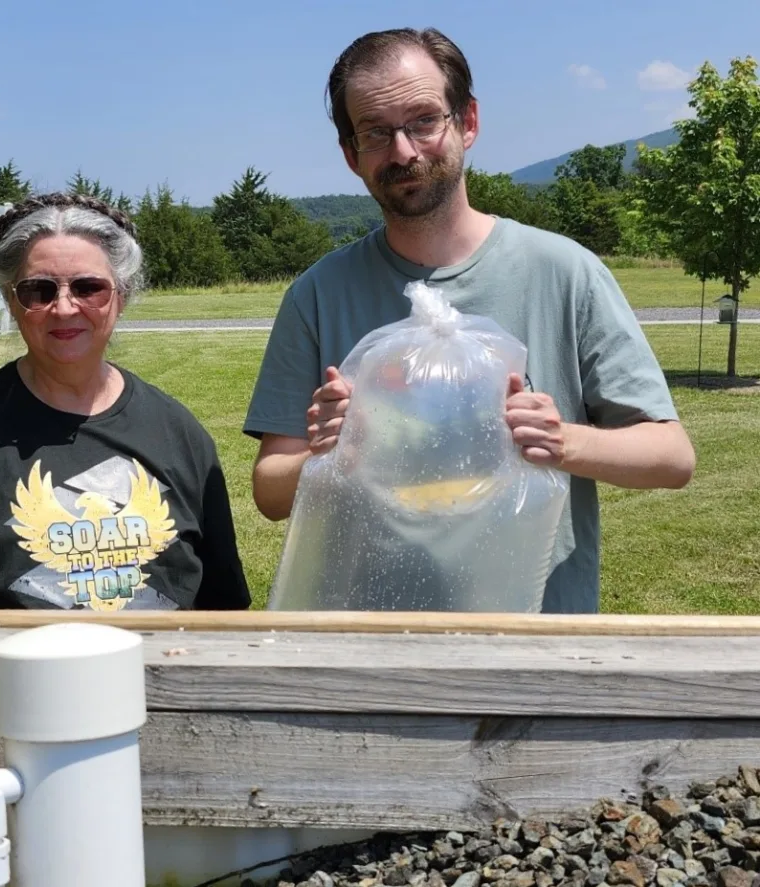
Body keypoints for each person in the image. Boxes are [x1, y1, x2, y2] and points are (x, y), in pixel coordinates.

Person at [243, 27, 696, 614]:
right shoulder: (317, 294)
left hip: (531, 642)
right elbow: (272, 491)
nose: (403, 151)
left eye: (423, 120)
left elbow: (672, 457)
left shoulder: (564, 272)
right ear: (351, 155)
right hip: (370, 642)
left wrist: (563, 442)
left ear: (468, 122)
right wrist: (330, 452)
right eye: (376, 132)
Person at [0, 192, 251, 612]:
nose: (65, 307)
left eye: (89, 287)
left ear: (121, 297)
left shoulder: (180, 434)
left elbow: (223, 611)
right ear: (11, 302)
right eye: (39, 291)